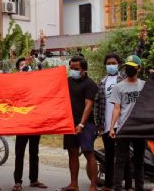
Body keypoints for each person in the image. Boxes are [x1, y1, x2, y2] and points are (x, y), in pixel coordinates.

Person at [93, 54, 132, 191]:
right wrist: (98, 123)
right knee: (109, 155)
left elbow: (135, 58)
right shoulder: (102, 82)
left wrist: (141, 42)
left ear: (118, 64)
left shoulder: (124, 79)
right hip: (106, 126)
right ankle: (108, 185)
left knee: (124, 156)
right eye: (108, 63)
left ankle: (128, 185)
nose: (110, 65)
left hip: (121, 124)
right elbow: (97, 104)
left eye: (113, 63)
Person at [61, 56, 98, 191]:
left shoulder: (90, 84)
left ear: (84, 69)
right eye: (71, 68)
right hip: (69, 124)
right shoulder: (67, 82)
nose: (73, 71)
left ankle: (93, 185)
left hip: (86, 125)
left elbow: (88, 106)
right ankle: (73, 184)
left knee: (89, 153)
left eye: (76, 69)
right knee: (72, 153)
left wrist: (81, 124)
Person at [109, 55, 146, 191]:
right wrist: (112, 127)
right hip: (124, 127)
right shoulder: (119, 87)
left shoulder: (144, 85)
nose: (129, 69)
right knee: (120, 160)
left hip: (140, 128)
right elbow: (117, 108)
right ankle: (118, 188)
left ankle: (139, 188)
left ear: (139, 68)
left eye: (132, 67)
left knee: (139, 161)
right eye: (128, 67)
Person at [12, 58, 47, 191]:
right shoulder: (16, 82)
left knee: (34, 151)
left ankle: (34, 179)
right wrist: (24, 67)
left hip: (35, 122)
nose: (25, 67)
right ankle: (17, 181)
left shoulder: (35, 83)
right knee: (19, 152)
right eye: (21, 65)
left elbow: (43, 77)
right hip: (21, 123)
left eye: (26, 65)